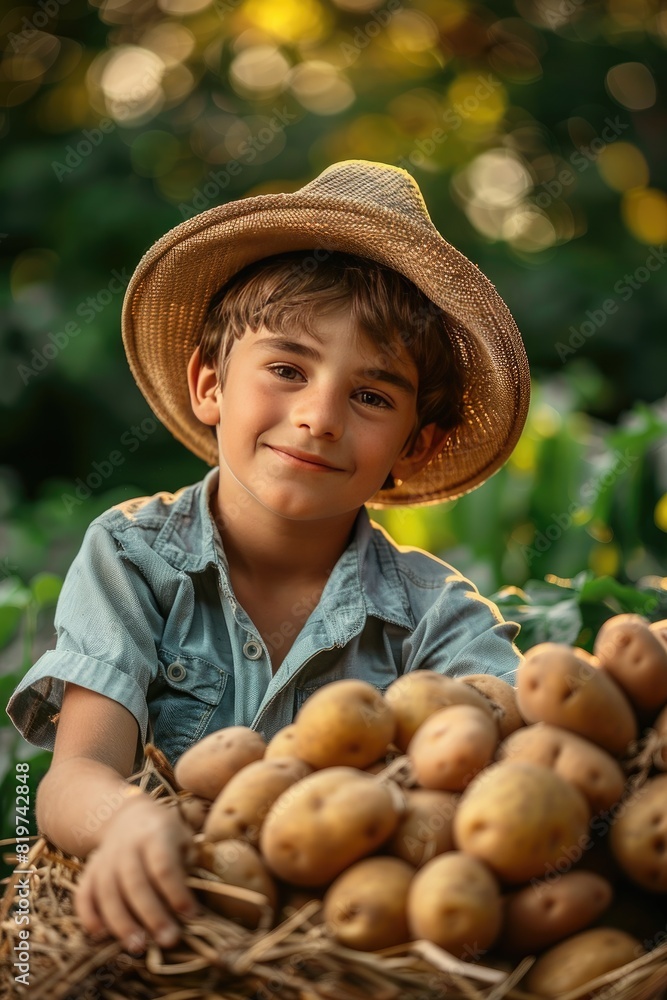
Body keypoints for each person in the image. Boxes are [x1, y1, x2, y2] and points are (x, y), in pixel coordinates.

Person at [6, 159, 530, 956]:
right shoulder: (132, 556)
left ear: (411, 447)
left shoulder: (437, 616)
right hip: (163, 939)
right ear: (209, 385)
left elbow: (522, 757)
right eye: (287, 369)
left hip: (350, 956)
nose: (318, 417)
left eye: (371, 396)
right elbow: (73, 777)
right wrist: (129, 821)